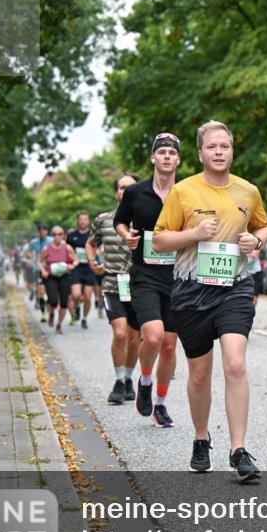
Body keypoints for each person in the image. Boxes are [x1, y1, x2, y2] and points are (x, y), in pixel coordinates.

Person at [153, 120, 267, 478]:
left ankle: (239, 450)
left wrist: (257, 241)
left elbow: (262, 226)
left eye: (225, 146)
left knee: (235, 363)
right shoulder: (184, 191)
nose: (219, 153)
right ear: (201, 153)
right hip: (191, 289)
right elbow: (159, 240)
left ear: (232, 150)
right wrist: (192, 233)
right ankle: (201, 438)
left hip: (234, 286)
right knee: (200, 373)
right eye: (212, 147)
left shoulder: (248, 191)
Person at [114, 133, 181, 428]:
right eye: (162, 152)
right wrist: (125, 235)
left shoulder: (188, 193)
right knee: (152, 336)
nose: (167, 156)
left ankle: (161, 404)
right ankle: (144, 381)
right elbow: (120, 220)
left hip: (178, 276)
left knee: (168, 345)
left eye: (172, 153)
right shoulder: (135, 193)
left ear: (178, 160)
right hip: (144, 274)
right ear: (153, 158)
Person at [90, 173, 142, 404]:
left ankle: (129, 379)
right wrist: (94, 263)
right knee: (120, 332)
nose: (125, 191)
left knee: (134, 337)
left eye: (130, 187)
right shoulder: (103, 220)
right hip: (112, 282)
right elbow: (91, 243)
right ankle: (119, 380)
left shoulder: (146, 220)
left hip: (140, 285)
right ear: (116, 193)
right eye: (121, 187)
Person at [38, 226, 78, 334]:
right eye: (55, 234)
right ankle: (51, 314)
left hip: (64, 276)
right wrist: (43, 271)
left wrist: (71, 266)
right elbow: (39, 261)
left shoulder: (67, 248)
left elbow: (76, 261)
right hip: (51, 277)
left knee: (64, 303)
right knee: (53, 301)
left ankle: (59, 324)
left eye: (60, 234)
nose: (57, 237)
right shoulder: (47, 248)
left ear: (63, 235)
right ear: (52, 236)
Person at [68, 211, 98, 329]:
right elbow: (67, 249)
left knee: (87, 297)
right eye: (81, 219)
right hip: (77, 267)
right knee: (75, 295)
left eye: (85, 219)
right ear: (78, 221)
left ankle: (84, 318)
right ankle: (77, 306)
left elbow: (100, 246)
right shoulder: (71, 235)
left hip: (89, 268)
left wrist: (98, 253)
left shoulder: (93, 235)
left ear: (88, 221)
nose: (83, 221)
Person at [29, 225, 53, 319]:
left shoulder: (51, 240)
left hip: (50, 269)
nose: (42, 233)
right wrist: (31, 258)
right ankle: (43, 314)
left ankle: (50, 310)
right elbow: (29, 252)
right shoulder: (33, 242)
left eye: (44, 231)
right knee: (41, 291)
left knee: (50, 292)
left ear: (47, 232)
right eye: (40, 231)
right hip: (37, 269)